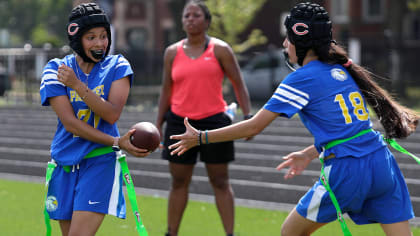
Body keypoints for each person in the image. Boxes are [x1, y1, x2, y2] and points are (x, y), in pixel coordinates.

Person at [169, 2, 419, 236]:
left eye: (288, 38)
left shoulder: (300, 79)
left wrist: (200, 137)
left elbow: (254, 126)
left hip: (347, 168)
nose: (285, 44)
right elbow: (351, 131)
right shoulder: (341, 70)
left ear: (300, 40)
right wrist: (310, 153)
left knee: (289, 232)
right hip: (382, 162)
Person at [40, 3, 149, 236]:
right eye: (91, 37)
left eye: (103, 36)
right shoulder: (55, 69)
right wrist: (117, 140)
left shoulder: (118, 65)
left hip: (99, 161)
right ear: (76, 39)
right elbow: (69, 123)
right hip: (64, 163)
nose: (100, 44)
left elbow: (111, 113)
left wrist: (76, 85)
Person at [155, 0, 252, 235]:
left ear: (206, 21)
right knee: (178, 181)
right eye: (187, 15)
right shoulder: (171, 52)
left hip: (214, 123)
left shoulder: (220, 49)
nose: (190, 19)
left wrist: (248, 117)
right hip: (179, 121)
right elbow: (166, 89)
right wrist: (158, 124)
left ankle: (230, 233)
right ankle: (171, 232)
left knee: (220, 181)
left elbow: (238, 83)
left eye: (196, 15)